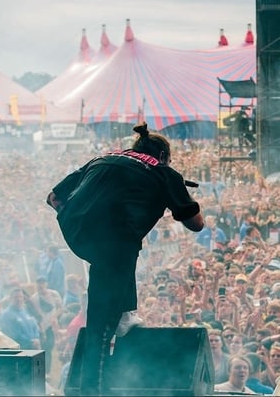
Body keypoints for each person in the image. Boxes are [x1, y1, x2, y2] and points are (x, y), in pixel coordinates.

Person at [46, 122, 204, 395]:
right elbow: (196, 224)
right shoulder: (164, 172)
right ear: (164, 156)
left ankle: (125, 313)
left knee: (120, 256)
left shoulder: (101, 158)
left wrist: (82, 224)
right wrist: (173, 193)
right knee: (99, 322)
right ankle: (91, 390)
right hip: (114, 239)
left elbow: (53, 198)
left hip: (75, 228)